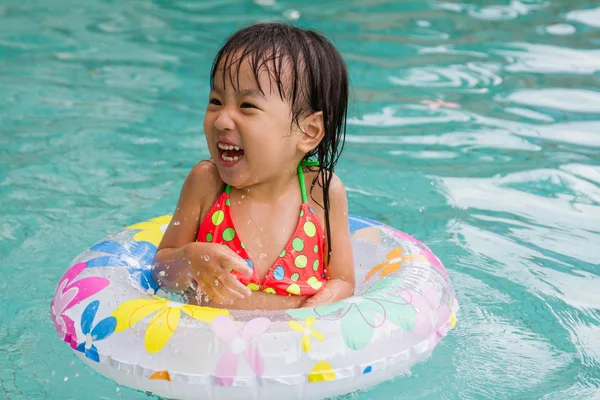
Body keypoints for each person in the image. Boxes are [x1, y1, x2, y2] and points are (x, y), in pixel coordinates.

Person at [152, 22, 355, 310]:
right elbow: (160, 271)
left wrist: (317, 310)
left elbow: (343, 281)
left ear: (308, 132)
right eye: (216, 101)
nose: (222, 120)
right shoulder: (207, 183)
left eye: (247, 106)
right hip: (210, 344)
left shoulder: (322, 192)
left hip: (293, 349)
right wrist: (189, 259)